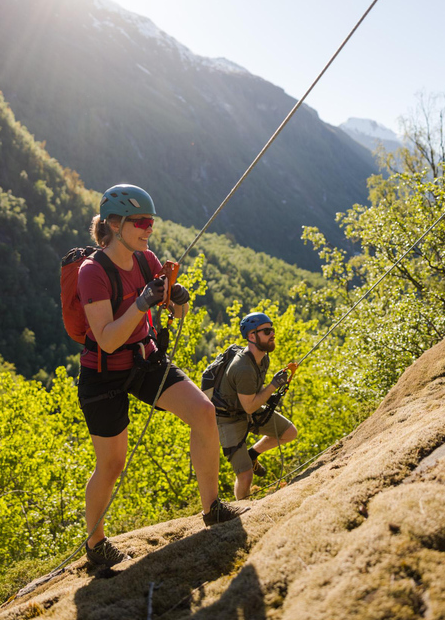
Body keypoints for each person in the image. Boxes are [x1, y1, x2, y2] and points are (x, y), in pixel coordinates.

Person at [77, 184, 248, 567]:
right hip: (103, 375)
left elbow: (176, 312)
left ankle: (212, 508)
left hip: (144, 361)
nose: (148, 228)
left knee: (204, 413)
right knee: (112, 464)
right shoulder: (93, 272)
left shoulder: (146, 259)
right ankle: (96, 546)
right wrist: (142, 303)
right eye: (140, 222)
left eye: (151, 222)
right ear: (115, 224)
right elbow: (106, 340)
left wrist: (178, 299)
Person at [216, 312, 298, 499]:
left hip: (246, 409)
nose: (272, 334)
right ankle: (239, 514)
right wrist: (274, 385)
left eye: (272, 330)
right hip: (228, 419)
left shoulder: (263, 358)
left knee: (289, 433)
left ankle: (252, 454)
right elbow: (250, 407)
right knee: (245, 476)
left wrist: (271, 391)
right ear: (251, 336)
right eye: (267, 331)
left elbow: (254, 396)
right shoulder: (243, 368)